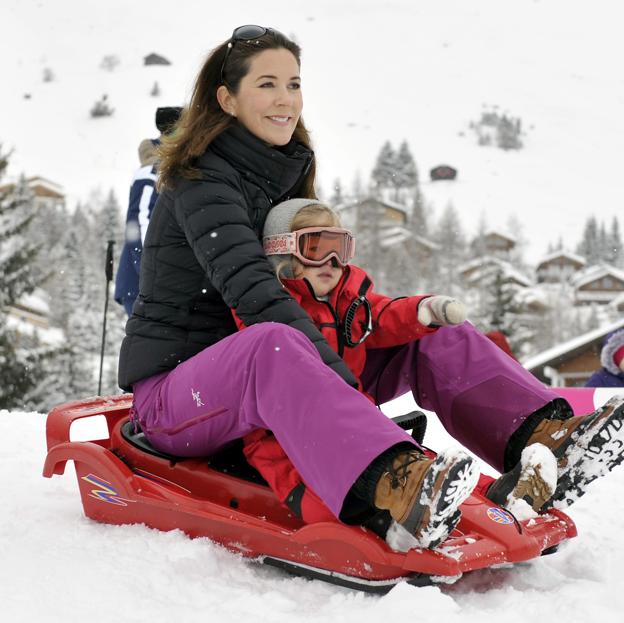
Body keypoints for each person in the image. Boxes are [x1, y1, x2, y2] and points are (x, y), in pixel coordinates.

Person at [118, 25, 624, 551]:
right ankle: (395, 483)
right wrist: (340, 385)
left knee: (435, 334)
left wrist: (393, 319)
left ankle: (542, 440)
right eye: (267, 84)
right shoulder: (202, 181)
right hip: (178, 399)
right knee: (272, 343)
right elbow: (254, 294)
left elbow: (319, 295)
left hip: (276, 377)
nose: (285, 99)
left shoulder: (280, 173)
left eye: (294, 84)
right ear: (227, 98)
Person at [239, 199, 558, 535]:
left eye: (341, 248)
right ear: (282, 251)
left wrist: (422, 312)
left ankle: (510, 483)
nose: (332, 261)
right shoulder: (267, 309)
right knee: (371, 479)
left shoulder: (347, 301)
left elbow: (383, 314)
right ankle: (395, 524)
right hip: (291, 446)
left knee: (410, 467)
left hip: (352, 426)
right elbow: (274, 373)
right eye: (317, 247)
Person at [114, 106, 182, 315]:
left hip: (158, 284)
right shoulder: (151, 172)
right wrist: (151, 271)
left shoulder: (173, 166)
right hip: (145, 285)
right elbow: (140, 222)